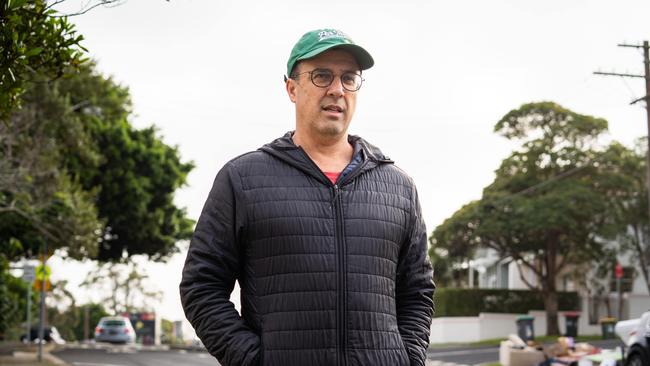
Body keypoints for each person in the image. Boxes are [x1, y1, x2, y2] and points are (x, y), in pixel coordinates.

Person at [180, 28, 435, 366]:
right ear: (291, 88)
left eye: (348, 78)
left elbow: (417, 293)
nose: (337, 89)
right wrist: (255, 360)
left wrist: (408, 358)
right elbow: (202, 286)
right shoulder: (242, 179)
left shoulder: (398, 186)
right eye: (321, 76)